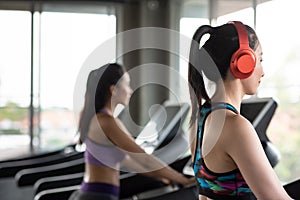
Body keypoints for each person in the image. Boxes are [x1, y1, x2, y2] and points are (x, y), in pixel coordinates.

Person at [188, 21, 293, 200]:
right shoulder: (234, 126)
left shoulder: (201, 118)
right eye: (259, 60)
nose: (263, 71)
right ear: (243, 62)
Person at [69, 63, 195, 200]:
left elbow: (131, 163)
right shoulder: (107, 122)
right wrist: (183, 180)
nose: (130, 90)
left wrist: (164, 176)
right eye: (127, 85)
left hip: (94, 194)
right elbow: (144, 159)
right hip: (97, 196)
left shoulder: (99, 118)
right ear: (114, 90)